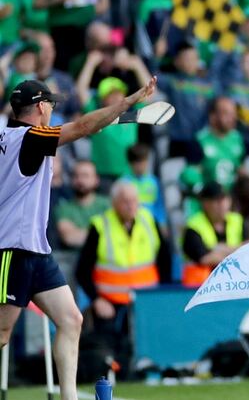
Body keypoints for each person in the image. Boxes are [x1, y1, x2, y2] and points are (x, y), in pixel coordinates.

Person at [0, 76, 156, 400]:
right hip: (12, 248)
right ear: (41, 107)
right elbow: (83, 127)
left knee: (71, 319)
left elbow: (86, 126)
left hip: (35, 250)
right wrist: (127, 103)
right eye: (51, 105)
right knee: (1, 334)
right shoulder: (30, 137)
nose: (53, 110)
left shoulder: (8, 134)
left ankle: (69, 397)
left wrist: (109, 117)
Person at [75, 181, 172, 379]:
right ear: (114, 203)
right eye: (125, 201)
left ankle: (145, 374)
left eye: (134, 201)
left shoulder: (148, 220)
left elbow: (165, 259)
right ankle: (110, 375)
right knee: (108, 345)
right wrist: (96, 299)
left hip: (143, 301)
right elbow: (82, 270)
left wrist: (160, 294)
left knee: (145, 343)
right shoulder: (100, 225)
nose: (130, 205)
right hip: (109, 301)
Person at [181, 182, 248, 288]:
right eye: (217, 200)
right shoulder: (193, 226)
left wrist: (218, 248)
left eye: (225, 199)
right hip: (201, 288)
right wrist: (238, 251)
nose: (223, 204)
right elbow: (205, 258)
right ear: (205, 203)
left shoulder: (237, 220)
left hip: (233, 285)